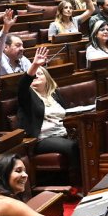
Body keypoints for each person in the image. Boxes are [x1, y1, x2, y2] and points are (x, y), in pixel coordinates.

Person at [15, 47, 78, 176]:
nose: (36, 75)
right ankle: (77, 183)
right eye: (34, 74)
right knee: (73, 147)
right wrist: (35, 65)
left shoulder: (54, 95)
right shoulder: (28, 96)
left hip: (63, 133)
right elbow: (23, 85)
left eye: (40, 73)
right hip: (43, 139)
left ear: (47, 78)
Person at [0, 9, 31, 88]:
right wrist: (5, 29)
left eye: (22, 45)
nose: (22, 48)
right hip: (1, 98)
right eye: (18, 45)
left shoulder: (24, 60)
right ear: (5, 47)